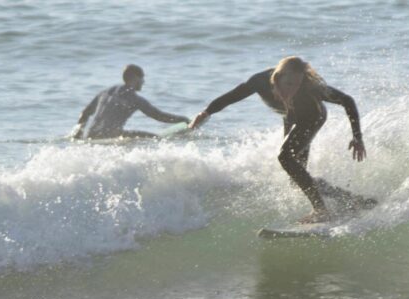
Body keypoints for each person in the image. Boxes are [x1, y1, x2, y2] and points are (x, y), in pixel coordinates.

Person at [190, 56, 375, 223]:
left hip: (313, 116)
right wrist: (206, 112)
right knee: (296, 177)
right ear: (277, 77)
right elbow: (232, 96)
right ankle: (351, 200)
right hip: (292, 118)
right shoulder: (260, 81)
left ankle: (321, 210)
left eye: (297, 84)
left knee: (285, 158)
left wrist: (357, 137)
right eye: (288, 84)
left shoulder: (311, 86)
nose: (293, 89)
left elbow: (347, 100)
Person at [72, 64, 189, 140]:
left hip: (91, 136)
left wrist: (79, 134)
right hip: (111, 136)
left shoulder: (105, 92)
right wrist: (184, 120)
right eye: (142, 78)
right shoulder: (134, 99)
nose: (143, 82)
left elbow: (85, 113)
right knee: (155, 138)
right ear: (135, 78)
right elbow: (159, 116)